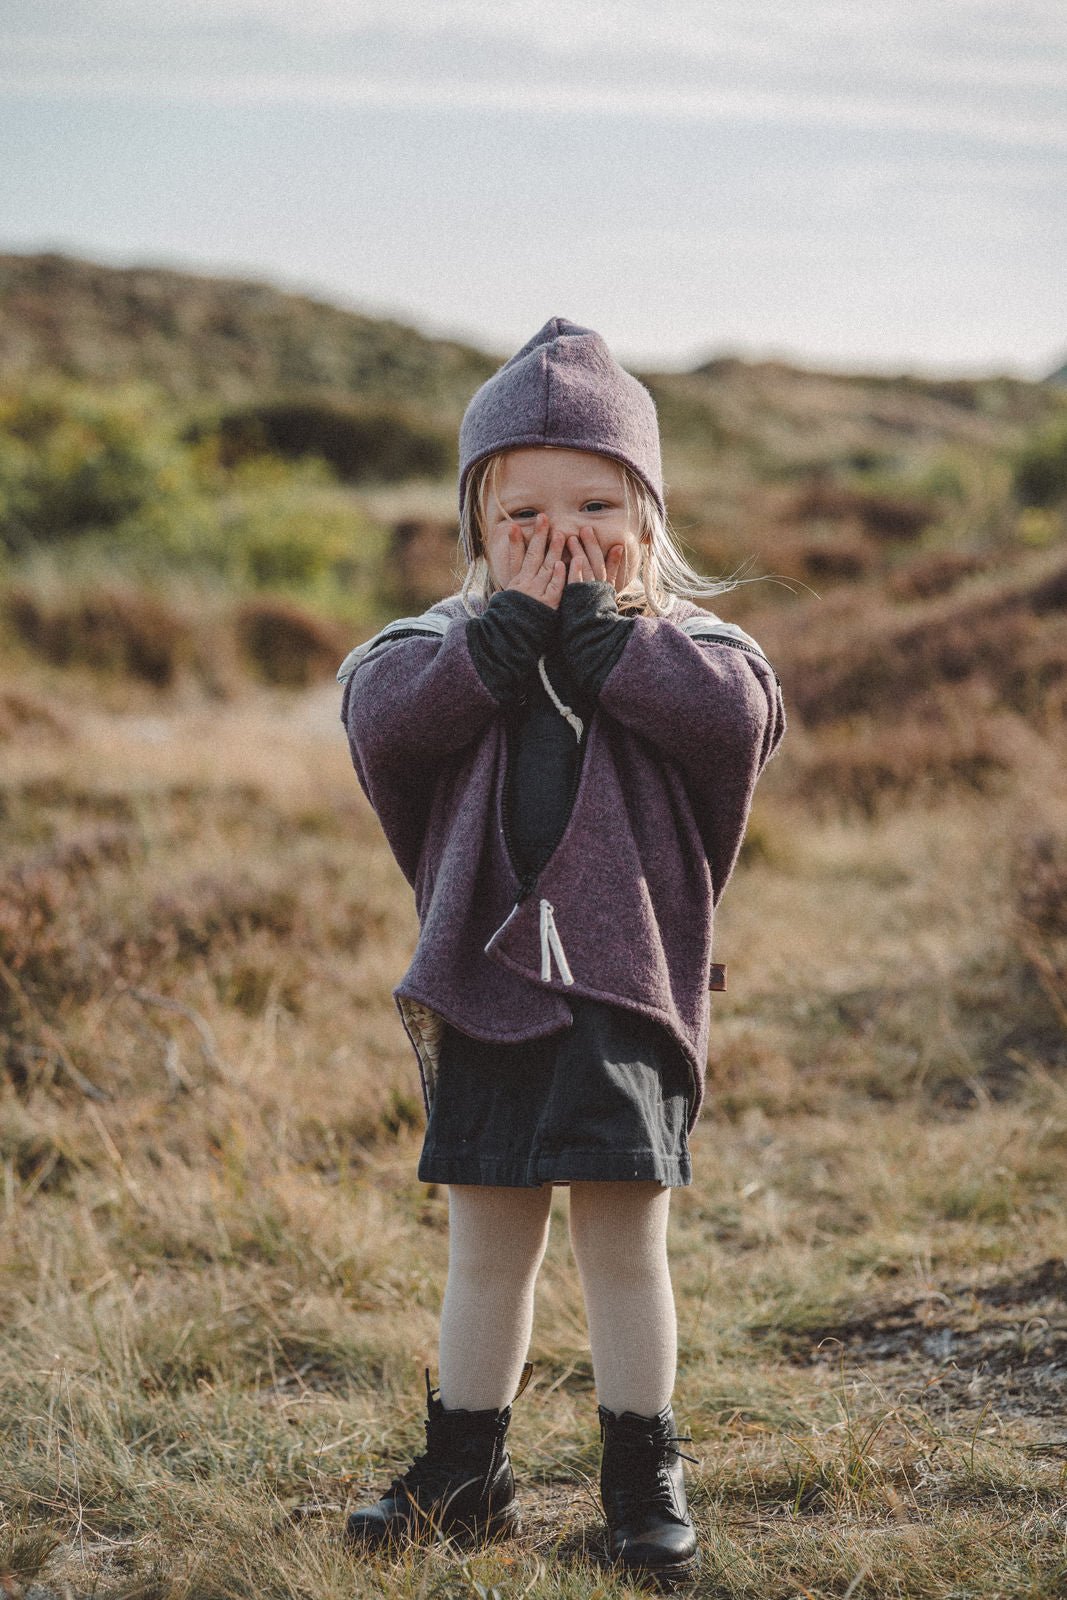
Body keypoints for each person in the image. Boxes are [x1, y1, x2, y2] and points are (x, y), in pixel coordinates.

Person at [338, 318, 785, 1585]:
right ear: (475, 524)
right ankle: (462, 1468)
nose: (558, 533)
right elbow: (379, 720)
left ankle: (643, 1478)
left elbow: (736, 724)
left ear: (647, 513)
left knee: (620, 1241)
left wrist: (612, 638)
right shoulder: (436, 640)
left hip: (621, 991)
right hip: (485, 982)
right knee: (486, 1239)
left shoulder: (693, 646)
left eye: (595, 501)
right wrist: (501, 643)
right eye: (521, 510)